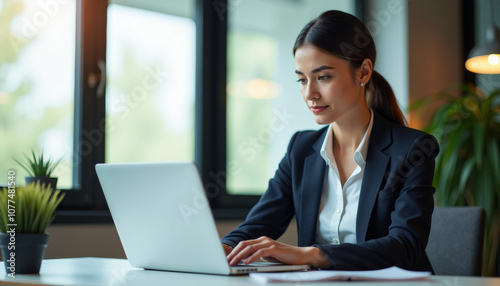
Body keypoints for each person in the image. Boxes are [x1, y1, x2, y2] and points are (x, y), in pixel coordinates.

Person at [221, 10, 439, 271]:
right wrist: (224, 248)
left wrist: (312, 255)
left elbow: (405, 247)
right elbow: (258, 224)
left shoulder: (412, 150)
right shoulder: (300, 150)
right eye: (302, 80)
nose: (310, 93)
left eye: (323, 77)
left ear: (363, 72)